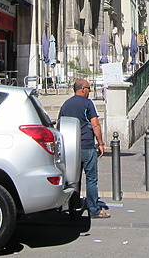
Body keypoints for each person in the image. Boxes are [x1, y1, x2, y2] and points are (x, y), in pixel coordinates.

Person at [58, 78, 110, 219]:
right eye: (88, 88)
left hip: (70, 148)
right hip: (86, 145)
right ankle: (94, 209)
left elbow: (60, 125)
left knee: (73, 179)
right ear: (82, 89)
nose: (90, 91)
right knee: (91, 179)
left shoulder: (66, 104)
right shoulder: (88, 103)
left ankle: (73, 207)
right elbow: (95, 124)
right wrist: (100, 143)